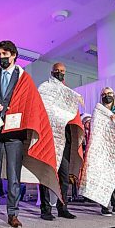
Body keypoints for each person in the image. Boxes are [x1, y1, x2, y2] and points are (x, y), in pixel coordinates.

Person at [0, 40, 60, 228]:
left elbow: (31, 105)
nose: (1, 58)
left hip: (14, 133)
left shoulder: (24, 78)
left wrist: (8, 108)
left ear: (14, 55)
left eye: (4, 55)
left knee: (14, 176)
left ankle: (13, 214)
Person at [79, 87, 115, 216]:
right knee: (103, 178)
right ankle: (104, 206)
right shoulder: (98, 110)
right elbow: (96, 130)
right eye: (104, 94)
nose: (107, 96)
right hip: (102, 149)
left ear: (114, 95)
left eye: (109, 94)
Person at [37, 62, 84, 220]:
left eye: (63, 71)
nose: (60, 73)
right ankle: (45, 210)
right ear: (52, 72)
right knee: (46, 173)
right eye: (57, 71)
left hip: (64, 138)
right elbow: (42, 108)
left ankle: (62, 207)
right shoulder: (44, 88)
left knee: (64, 176)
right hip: (49, 137)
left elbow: (73, 115)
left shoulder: (68, 93)